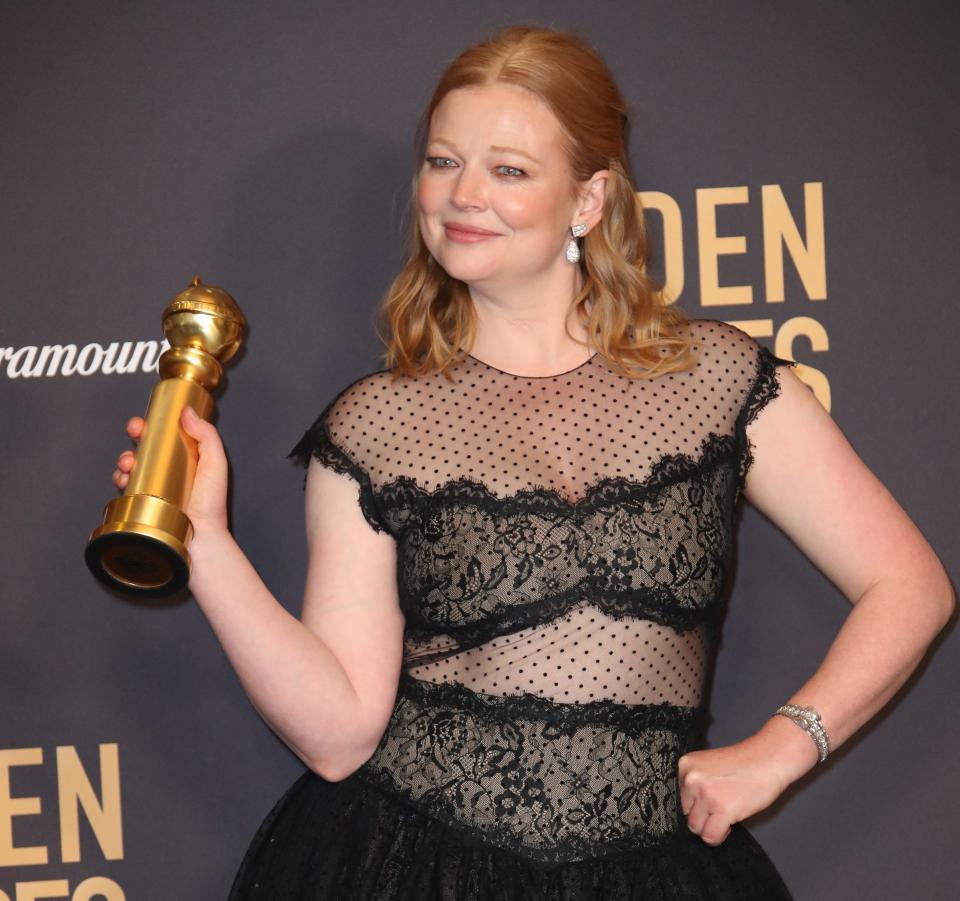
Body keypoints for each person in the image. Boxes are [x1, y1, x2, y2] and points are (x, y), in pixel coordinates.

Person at [112, 26, 953, 900]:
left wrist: (782, 748)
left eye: (508, 170)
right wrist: (204, 541)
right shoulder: (376, 426)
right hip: (408, 865)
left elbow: (910, 585)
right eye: (443, 162)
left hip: (655, 870)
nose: (464, 194)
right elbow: (338, 735)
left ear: (588, 202)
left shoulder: (716, 380)